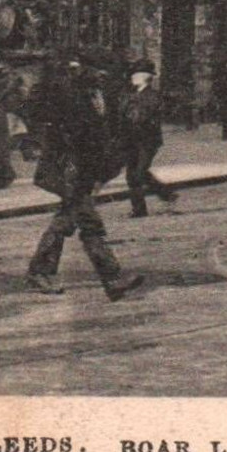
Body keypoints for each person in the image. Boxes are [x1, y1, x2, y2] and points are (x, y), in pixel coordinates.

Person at [24, 56, 144, 301]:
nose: (102, 76)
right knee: (89, 222)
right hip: (67, 170)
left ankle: (40, 270)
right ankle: (111, 278)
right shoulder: (69, 95)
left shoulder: (97, 96)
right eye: (98, 71)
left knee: (67, 219)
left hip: (83, 171)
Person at [120, 58, 176, 219]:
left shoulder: (153, 95)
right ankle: (139, 209)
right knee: (132, 175)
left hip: (147, 140)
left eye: (135, 74)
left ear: (144, 76)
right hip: (131, 139)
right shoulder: (129, 95)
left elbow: (148, 115)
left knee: (140, 171)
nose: (132, 77)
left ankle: (165, 193)